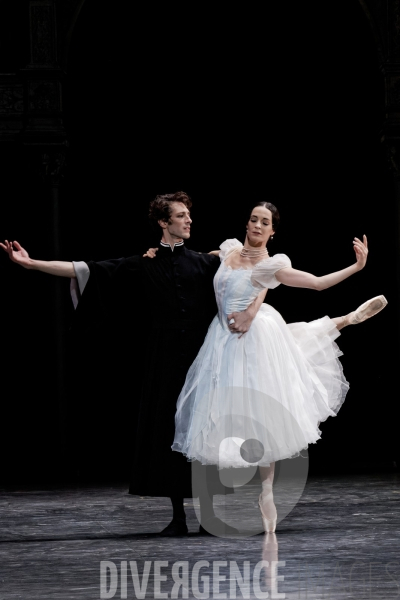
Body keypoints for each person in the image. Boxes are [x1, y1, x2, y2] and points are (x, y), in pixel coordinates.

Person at [0, 191, 267, 537]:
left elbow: (257, 269)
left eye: (189, 215)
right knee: (168, 432)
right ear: (163, 222)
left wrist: (250, 309)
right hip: (165, 359)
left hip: (204, 357)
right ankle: (178, 517)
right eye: (181, 215)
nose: (189, 220)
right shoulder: (144, 263)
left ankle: (206, 516)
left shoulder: (206, 262)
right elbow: (86, 270)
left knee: (205, 432)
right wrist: (31, 263)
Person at [170, 201, 388, 534]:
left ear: (273, 230)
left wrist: (356, 268)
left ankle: (266, 491)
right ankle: (340, 322)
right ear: (247, 224)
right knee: (216, 408)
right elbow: (193, 261)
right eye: (254, 219)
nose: (257, 225)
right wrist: (160, 252)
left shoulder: (271, 266)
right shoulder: (228, 250)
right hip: (221, 338)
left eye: (265, 222)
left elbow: (315, 283)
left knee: (264, 405)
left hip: (253, 338)